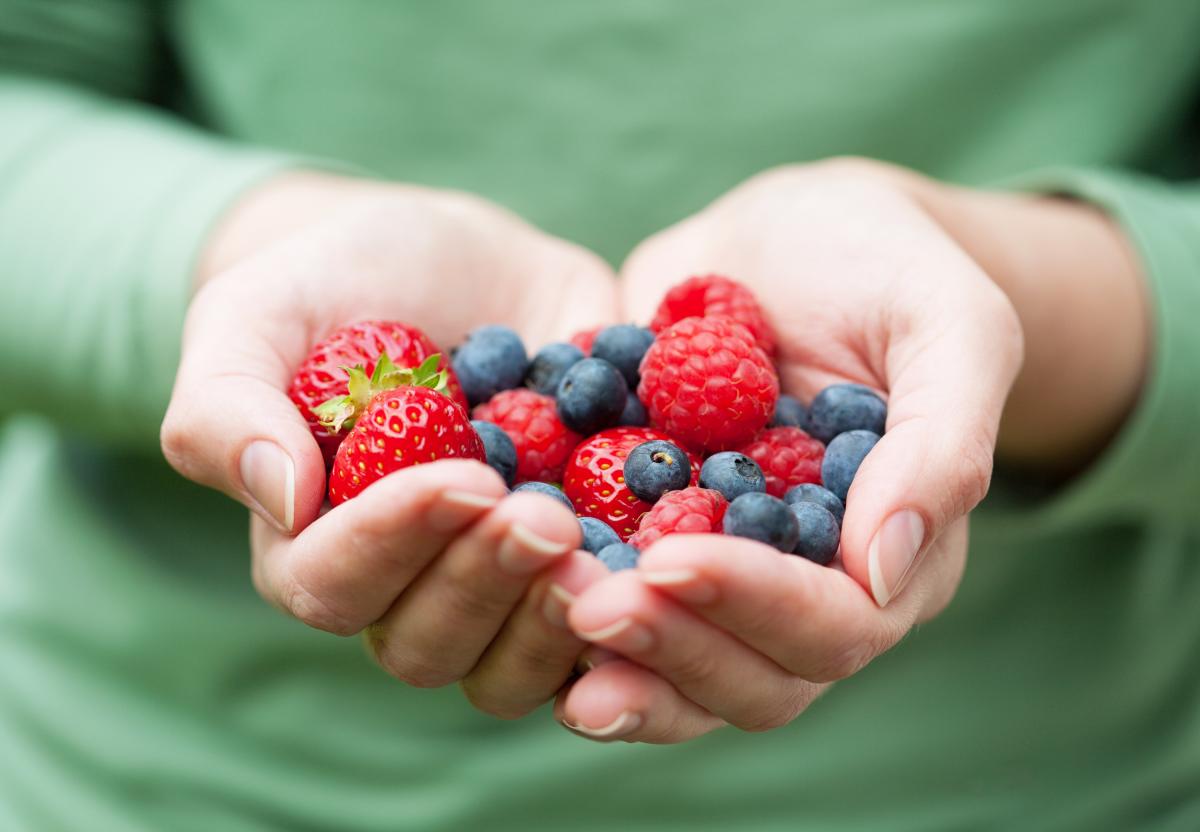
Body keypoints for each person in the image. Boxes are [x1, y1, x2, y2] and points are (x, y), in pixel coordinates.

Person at [2, 2, 1197, 829]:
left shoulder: (733, 431)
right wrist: (242, 257)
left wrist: (1021, 300)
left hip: (1039, 786)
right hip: (176, 785)